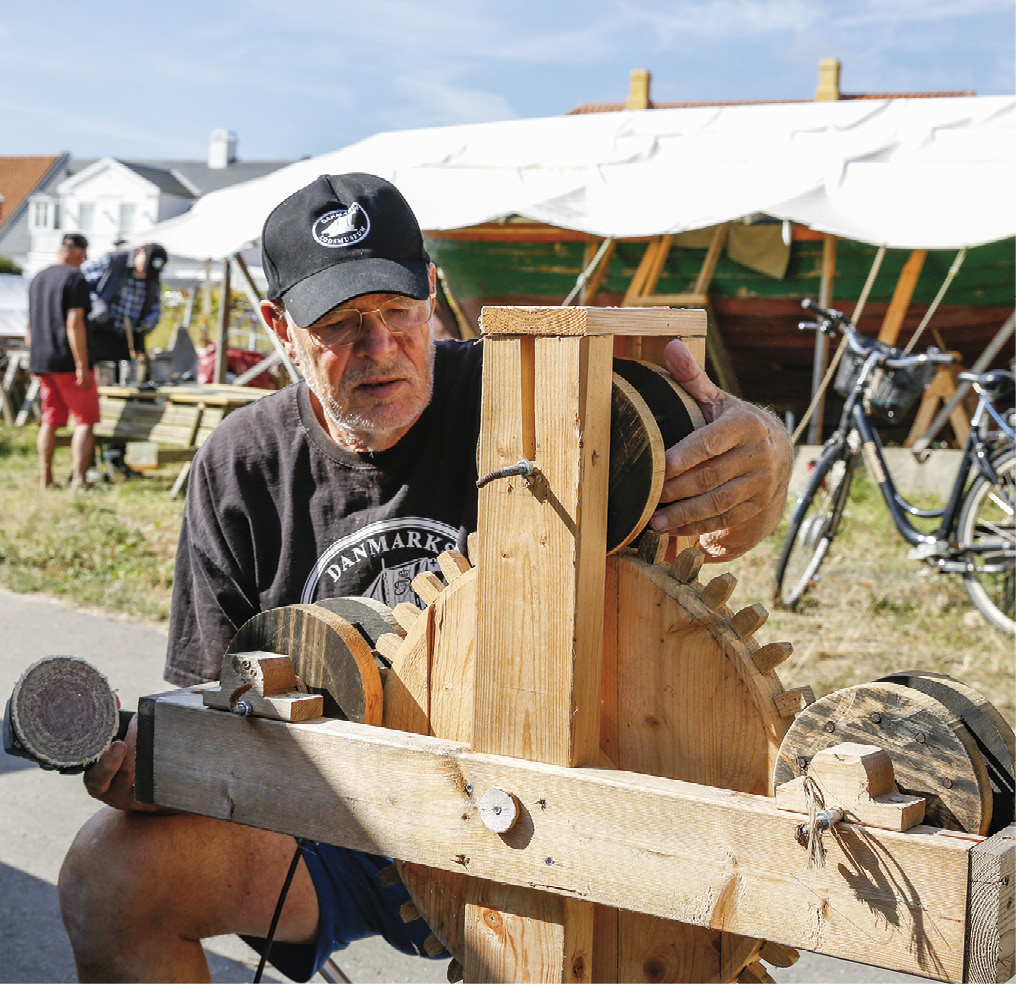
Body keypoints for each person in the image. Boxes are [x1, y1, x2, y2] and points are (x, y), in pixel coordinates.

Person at [58, 173, 793, 982]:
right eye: (339, 324)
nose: (379, 348)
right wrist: (161, 772)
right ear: (280, 327)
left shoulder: (532, 407)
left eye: (398, 312)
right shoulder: (242, 466)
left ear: (433, 295)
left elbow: (710, 504)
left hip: (562, 817)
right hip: (340, 828)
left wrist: (762, 457)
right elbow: (216, 708)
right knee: (110, 879)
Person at [25, 232, 97, 489]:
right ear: (78, 251)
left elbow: (30, 324)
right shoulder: (74, 277)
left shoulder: (38, 277)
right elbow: (74, 322)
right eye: (85, 254)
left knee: (50, 420)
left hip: (42, 361)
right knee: (85, 421)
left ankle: (46, 479)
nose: (85, 259)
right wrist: (82, 364)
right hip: (68, 362)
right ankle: (79, 479)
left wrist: (34, 359)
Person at [81, 242, 168, 370]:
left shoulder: (153, 278)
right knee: (101, 373)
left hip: (128, 339)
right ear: (139, 253)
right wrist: (96, 303)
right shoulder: (113, 261)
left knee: (126, 376)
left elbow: (155, 306)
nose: (145, 274)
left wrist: (150, 321)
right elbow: (79, 282)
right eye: (145, 268)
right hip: (101, 332)